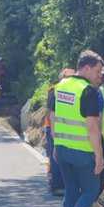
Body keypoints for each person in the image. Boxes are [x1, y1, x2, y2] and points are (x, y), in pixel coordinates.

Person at [50, 51, 104, 207]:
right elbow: (92, 127)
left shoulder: (60, 86)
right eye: (98, 71)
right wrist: (99, 156)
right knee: (91, 189)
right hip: (82, 151)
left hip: (63, 149)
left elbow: (54, 118)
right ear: (86, 68)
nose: (100, 75)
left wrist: (56, 145)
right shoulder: (88, 91)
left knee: (71, 189)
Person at [45, 68, 76, 197]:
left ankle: (64, 184)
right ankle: (57, 185)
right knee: (55, 157)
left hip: (67, 129)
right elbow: (52, 113)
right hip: (54, 128)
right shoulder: (55, 90)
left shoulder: (73, 90)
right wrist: (53, 132)